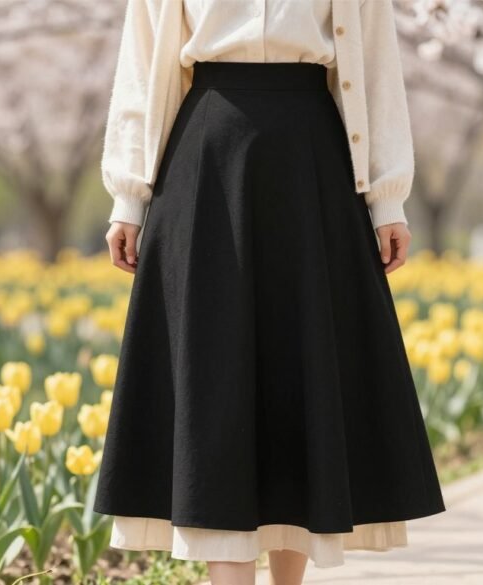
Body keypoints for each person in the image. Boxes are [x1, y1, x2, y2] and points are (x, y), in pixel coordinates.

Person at [95, 2, 447, 584]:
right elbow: (143, 60)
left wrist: (388, 199)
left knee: (300, 376)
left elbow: (376, 64)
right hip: (205, 159)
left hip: (313, 164)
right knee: (214, 381)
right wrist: (128, 198)